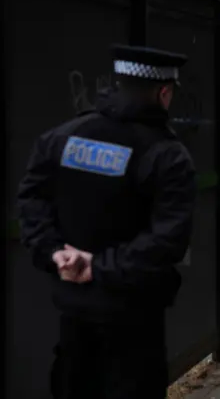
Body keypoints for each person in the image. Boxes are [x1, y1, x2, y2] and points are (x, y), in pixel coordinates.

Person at [16, 45, 197, 399]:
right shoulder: (167, 155)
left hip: (74, 310)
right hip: (135, 317)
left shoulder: (63, 137)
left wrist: (55, 253)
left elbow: (31, 200)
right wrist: (98, 267)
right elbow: (167, 241)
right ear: (164, 92)